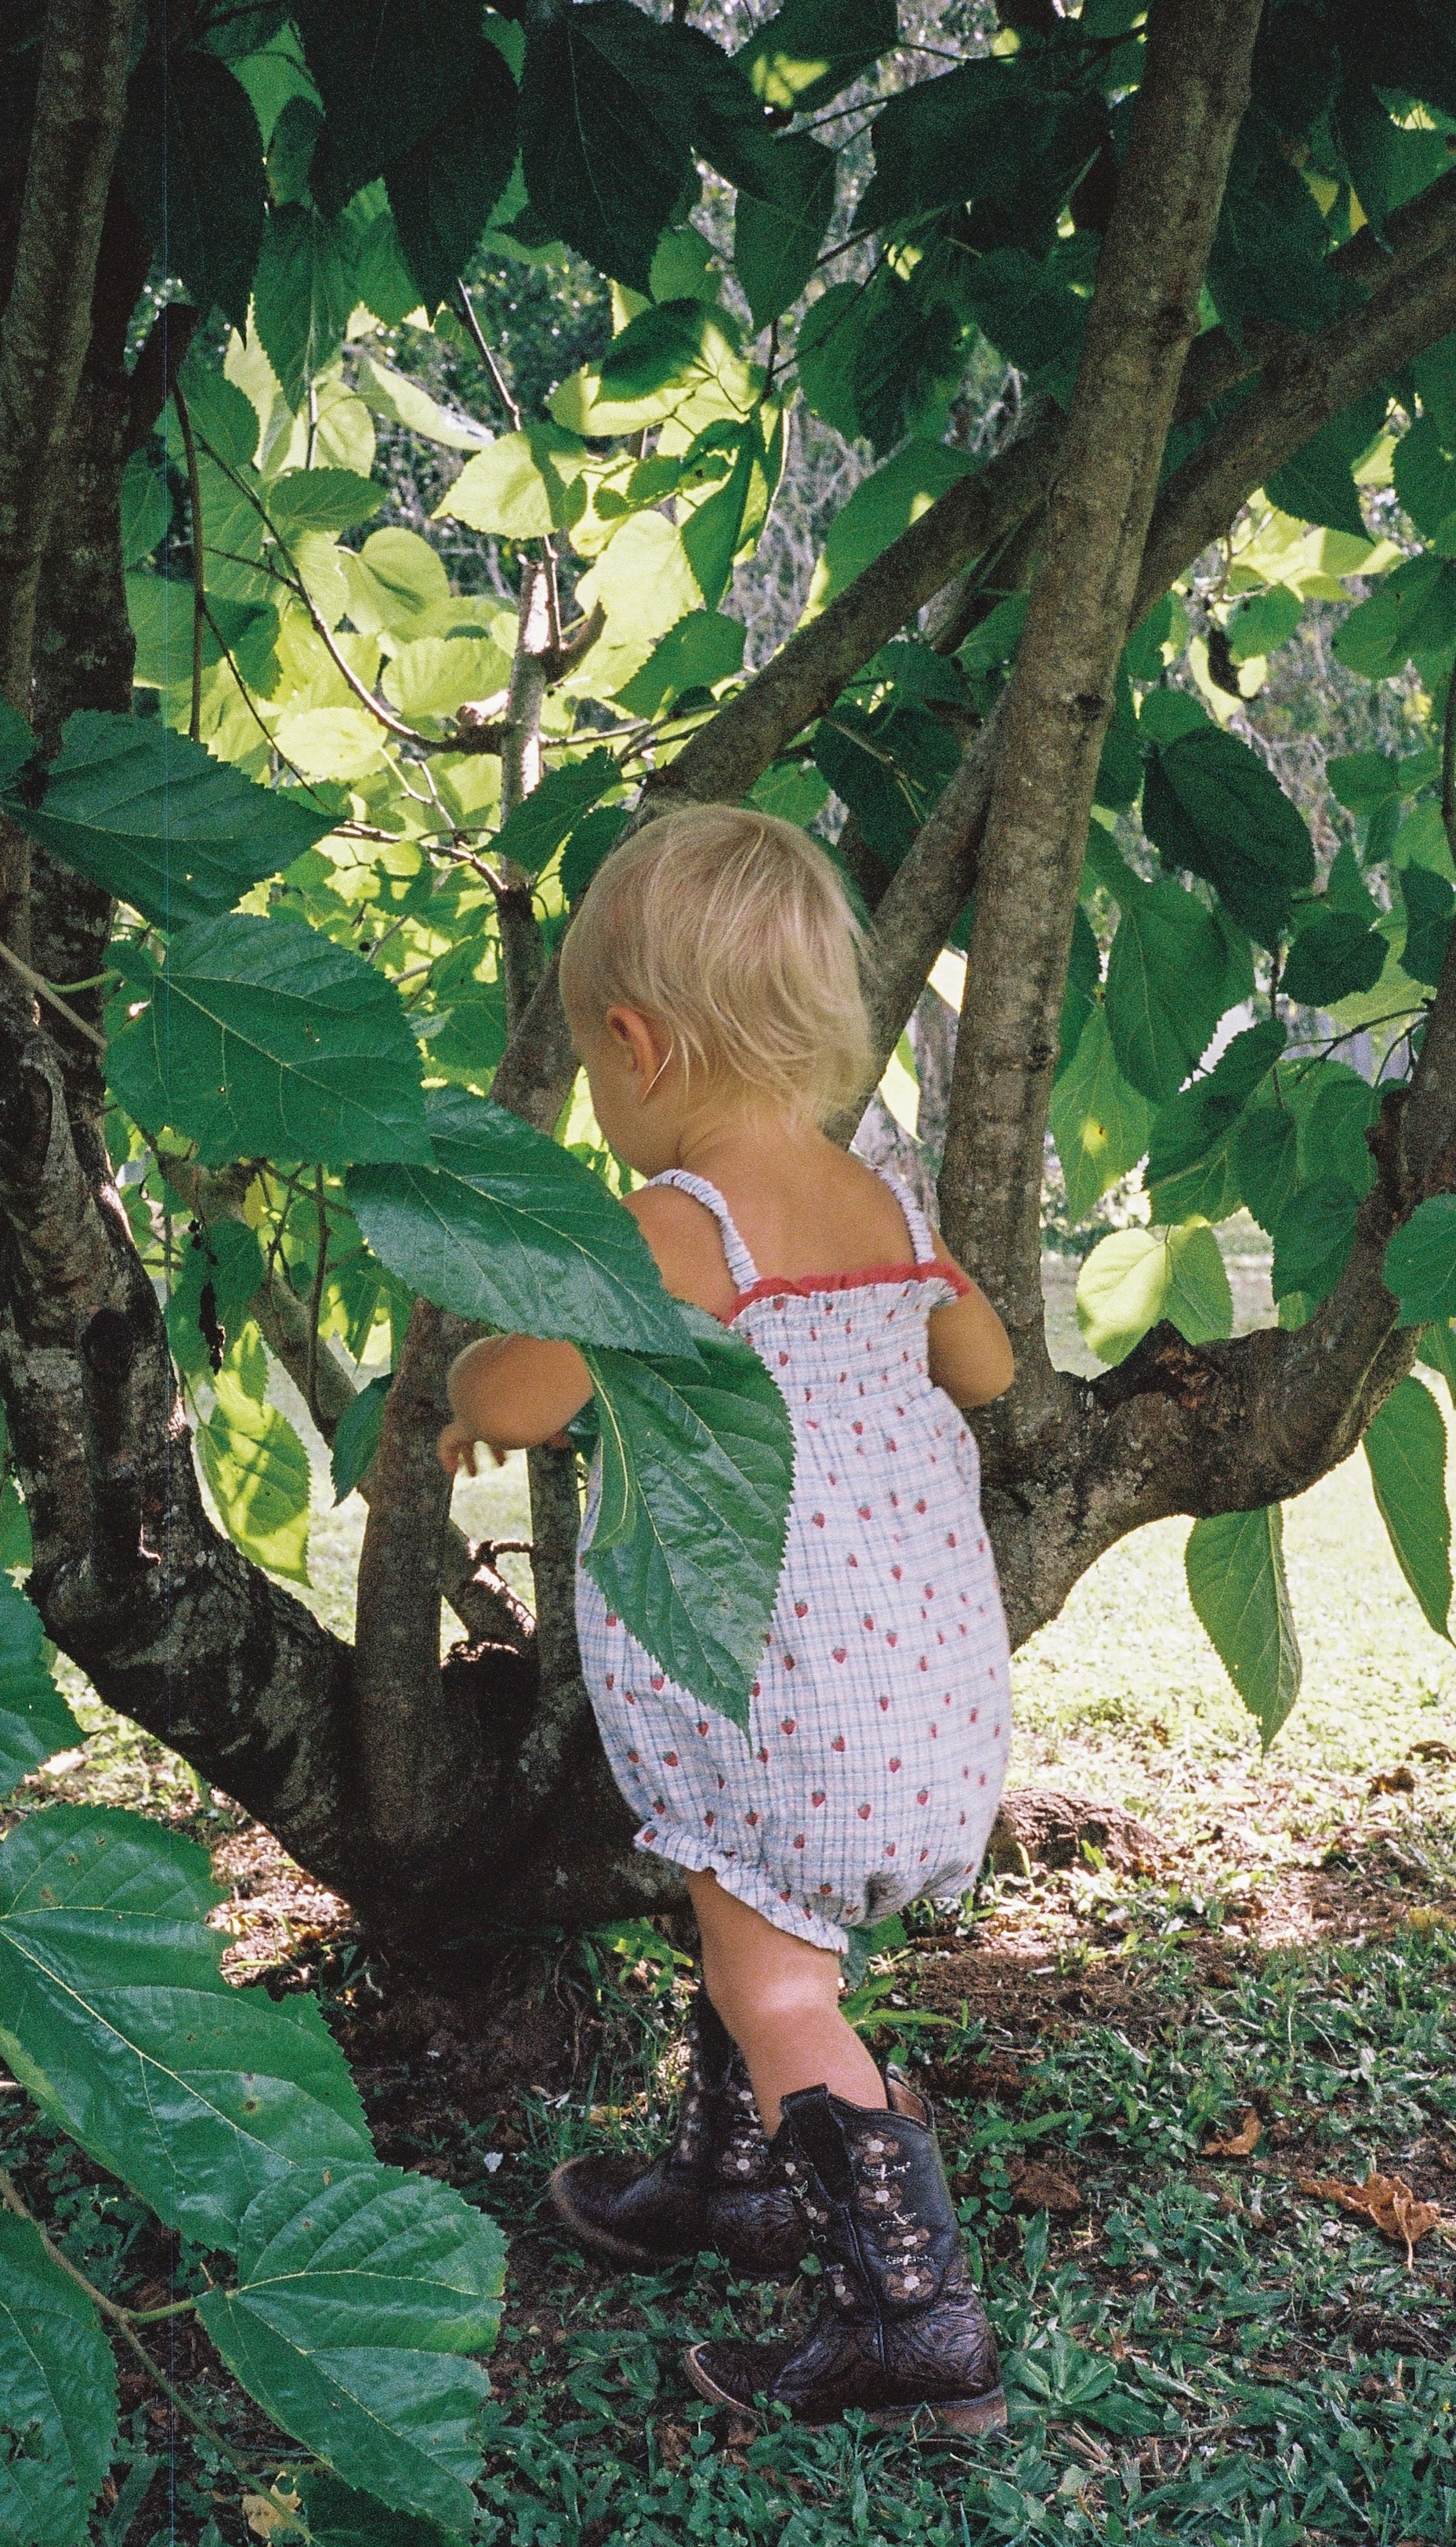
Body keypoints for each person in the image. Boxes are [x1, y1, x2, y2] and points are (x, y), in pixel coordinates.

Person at [437, 806, 1016, 2435]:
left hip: (785, 1694)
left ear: (633, 1043)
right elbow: (986, 1372)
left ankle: (910, 2314)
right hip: (922, 1692)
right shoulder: (882, 1210)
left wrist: (470, 1384)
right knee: (746, 1925)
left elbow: (530, 1385)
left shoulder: (685, 1228)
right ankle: (736, 2177)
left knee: (777, 1986)